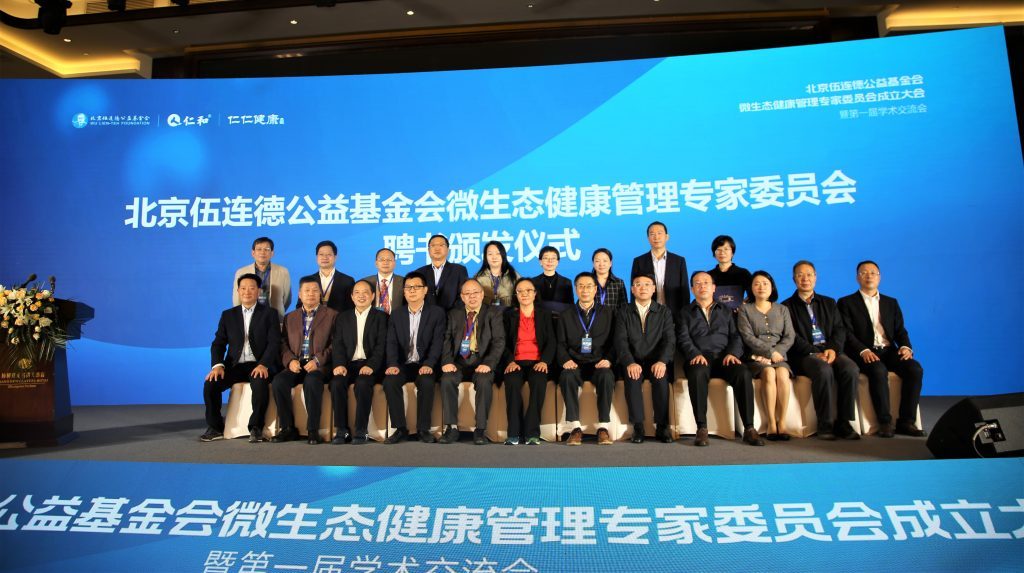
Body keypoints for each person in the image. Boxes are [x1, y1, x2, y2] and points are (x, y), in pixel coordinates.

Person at [837, 260, 925, 438]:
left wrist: (906, 347)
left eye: (873, 273)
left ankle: (906, 421)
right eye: (863, 273)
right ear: (857, 278)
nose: (869, 276)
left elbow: (900, 330)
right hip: (863, 352)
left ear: (879, 277)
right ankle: (884, 422)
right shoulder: (846, 302)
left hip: (889, 351)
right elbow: (846, 333)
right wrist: (863, 350)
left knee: (915, 369)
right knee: (878, 370)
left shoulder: (891, 302)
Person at [677, 272, 763, 446]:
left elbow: (736, 336)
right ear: (692, 289)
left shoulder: (726, 310)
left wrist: (733, 353)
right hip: (699, 358)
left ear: (714, 287)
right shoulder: (684, 312)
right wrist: (694, 354)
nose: (702, 286)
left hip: (724, 357)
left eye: (706, 282)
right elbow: (683, 338)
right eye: (697, 283)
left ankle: (749, 428)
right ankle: (701, 428)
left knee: (743, 373)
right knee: (697, 374)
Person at [781, 261, 860, 440]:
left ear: (815, 277)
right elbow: (792, 336)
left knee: (850, 368)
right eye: (800, 275)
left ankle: (844, 422)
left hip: (830, 350)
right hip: (805, 354)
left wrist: (832, 349)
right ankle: (825, 424)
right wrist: (814, 352)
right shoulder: (786, 306)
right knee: (823, 370)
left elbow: (840, 329)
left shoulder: (829, 302)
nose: (805, 279)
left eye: (809, 274)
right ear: (794, 279)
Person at [201, 273, 281, 443]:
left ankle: (256, 428)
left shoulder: (269, 314)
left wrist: (264, 364)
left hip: (259, 364)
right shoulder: (228, 315)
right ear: (238, 291)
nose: (247, 292)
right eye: (243, 288)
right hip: (235, 366)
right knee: (211, 384)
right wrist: (218, 365)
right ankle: (215, 427)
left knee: (259, 382)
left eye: (252, 288)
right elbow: (218, 343)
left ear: (258, 291)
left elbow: (274, 343)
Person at [270, 276, 338, 444]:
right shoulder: (290, 317)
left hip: (319, 365)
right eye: (307, 291)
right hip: (296, 363)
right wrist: (290, 361)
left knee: (312, 381)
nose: (311, 294)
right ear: (300, 294)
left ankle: (312, 430)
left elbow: (336, 344)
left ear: (320, 294)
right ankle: (287, 428)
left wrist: (318, 360)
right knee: (279, 382)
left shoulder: (332, 315)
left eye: (315, 290)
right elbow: (282, 343)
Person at [381, 272, 447, 444]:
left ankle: (423, 429)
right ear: (403, 292)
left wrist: (429, 364)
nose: (412, 291)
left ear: (425, 290)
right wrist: (392, 364)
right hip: (404, 364)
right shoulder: (396, 314)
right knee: (390, 381)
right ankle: (400, 429)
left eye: (417, 287)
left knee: (426, 382)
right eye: (408, 288)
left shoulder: (437, 313)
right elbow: (391, 343)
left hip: (426, 363)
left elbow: (438, 342)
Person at [440, 280, 506, 444]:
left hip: (482, 360)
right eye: (467, 293)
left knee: (484, 381)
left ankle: (480, 430)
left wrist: (488, 363)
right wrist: (447, 361)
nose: (472, 296)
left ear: (482, 294)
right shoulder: (454, 314)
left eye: (475, 292)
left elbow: (499, 341)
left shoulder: (493, 313)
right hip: (459, 361)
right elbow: (446, 339)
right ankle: (451, 428)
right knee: (447, 379)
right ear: (462, 297)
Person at [615, 273, 676, 444]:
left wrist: (662, 361)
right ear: (632, 289)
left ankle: (662, 426)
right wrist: (629, 362)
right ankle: (638, 426)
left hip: (656, 361)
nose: (643, 288)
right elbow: (620, 341)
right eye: (638, 284)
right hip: (633, 360)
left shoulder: (664, 311)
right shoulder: (623, 311)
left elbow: (670, 340)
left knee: (661, 379)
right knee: (632, 378)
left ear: (654, 289)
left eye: (647, 284)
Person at [557, 272, 616, 445]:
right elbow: (560, 343)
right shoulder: (565, 315)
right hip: (575, 362)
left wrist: (609, 359)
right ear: (576, 289)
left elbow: (615, 342)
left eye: (589, 286)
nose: (585, 290)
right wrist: (565, 360)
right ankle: (575, 428)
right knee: (566, 376)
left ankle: (603, 427)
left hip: (599, 362)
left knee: (607, 376)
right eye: (581, 286)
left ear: (595, 289)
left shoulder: (608, 313)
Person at [737, 270, 796, 441]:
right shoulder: (745, 309)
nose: (761, 287)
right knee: (769, 373)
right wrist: (769, 353)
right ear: (751, 288)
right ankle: (771, 422)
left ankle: (782, 422)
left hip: (780, 356)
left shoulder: (782, 309)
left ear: (772, 287)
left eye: (765, 284)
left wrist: (777, 353)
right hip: (756, 358)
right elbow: (747, 337)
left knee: (782, 373)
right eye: (756, 284)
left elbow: (789, 336)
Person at [328, 280, 387, 445]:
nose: (361, 296)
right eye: (357, 292)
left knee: (363, 384)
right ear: (352, 296)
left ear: (373, 296)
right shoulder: (343, 317)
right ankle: (342, 429)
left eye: (365, 292)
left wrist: (371, 365)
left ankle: (361, 430)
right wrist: (339, 364)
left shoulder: (381, 317)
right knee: (336, 383)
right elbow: (338, 344)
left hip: (370, 365)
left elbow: (381, 346)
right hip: (348, 364)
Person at [500, 277, 556, 445]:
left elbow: (551, 341)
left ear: (535, 293)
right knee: (512, 383)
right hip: (515, 362)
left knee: (538, 382)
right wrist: (510, 360)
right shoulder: (509, 315)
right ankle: (514, 433)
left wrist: (544, 361)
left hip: (538, 362)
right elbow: (502, 342)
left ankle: (532, 433)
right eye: (520, 291)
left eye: (528, 290)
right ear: (516, 295)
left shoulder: (544, 314)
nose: (524, 294)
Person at [631, 221, 689, 316]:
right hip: (647, 314)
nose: (656, 237)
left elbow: (684, 291)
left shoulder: (679, 261)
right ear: (648, 238)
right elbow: (634, 290)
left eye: (659, 233)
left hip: (674, 313)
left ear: (667, 237)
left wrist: (684, 315)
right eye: (652, 234)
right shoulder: (639, 261)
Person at [232, 237, 291, 320]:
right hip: (248, 318)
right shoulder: (241, 272)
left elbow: (287, 299)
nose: (262, 252)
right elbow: (237, 299)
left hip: (275, 317)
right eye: (259, 249)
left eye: (266, 249)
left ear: (272, 253)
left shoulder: (283, 271)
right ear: (253, 253)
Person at [415, 234, 468, 311]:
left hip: (452, 316)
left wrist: (452, 315)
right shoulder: (419, 272)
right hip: (426, 316)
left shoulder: (459, 270)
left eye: (441, 245)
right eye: (433, 245)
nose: (437, 248)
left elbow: (463, 296)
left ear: (448, 250)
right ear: (428, 250)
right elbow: (416, 297)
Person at [302, 240, 355, 313]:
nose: (325, 257)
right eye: (321, 254)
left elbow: (351, 308)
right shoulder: (308, 281)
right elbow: (300, 306)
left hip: (339, 319)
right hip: (314, 319)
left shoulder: (348, 281)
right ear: (317, 257)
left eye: (329, 254)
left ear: (335, 257)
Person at [706, 235, 751, 311]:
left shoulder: (743, 273)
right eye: (718, 249)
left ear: (732, 253)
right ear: (714, 253)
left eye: (726, 249)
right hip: (715, 315)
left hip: (738, 315)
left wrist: (743, 305)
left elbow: (753, 294)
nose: (722, 252)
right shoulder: (708, 276)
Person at [475, 241, 520, 308]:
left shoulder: (514, 276)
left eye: (498, 253)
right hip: (485, 314)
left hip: (508, 313)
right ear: (485, 257)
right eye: (490, 254)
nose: (494, 257)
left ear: (503, 255)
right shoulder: (478, 278)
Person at [360, 248, 404, 315]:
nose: (385, 262)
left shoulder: (404, 282)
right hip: (372, 319)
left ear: (394, 263)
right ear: (376, 263)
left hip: (397, 319)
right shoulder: (365, 282)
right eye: (382, 260)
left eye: (389, 260)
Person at [532, 246, 574, 314]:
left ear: (558, 262)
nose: (550, 261)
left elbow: (570, 306)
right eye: (546, 258)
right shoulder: (533, 282)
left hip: (560, 318)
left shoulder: (566, 282)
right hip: (539, 318)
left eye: (553, 258)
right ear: (540, 261)